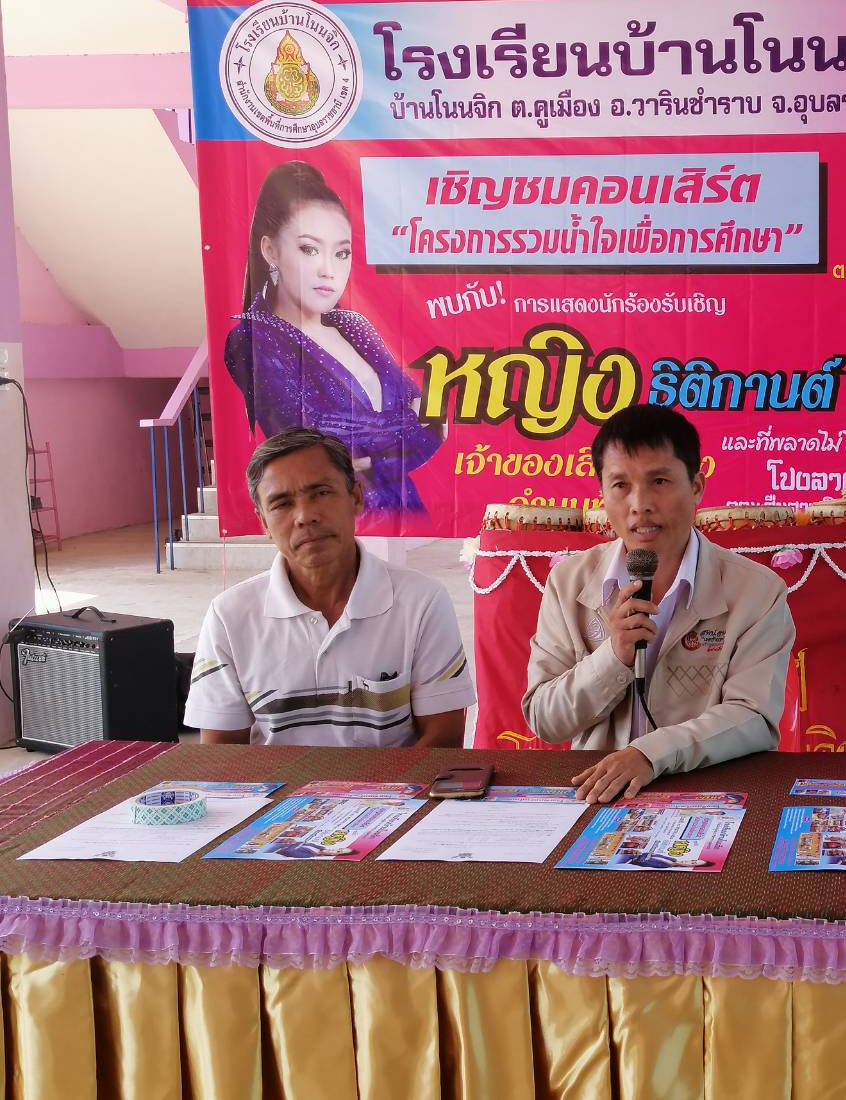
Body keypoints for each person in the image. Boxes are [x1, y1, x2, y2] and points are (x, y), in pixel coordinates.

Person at [523, 404, 796, 803]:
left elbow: (753, 717)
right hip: (596, 793)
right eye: (620, 485)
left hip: (708, 796)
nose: (640, 504)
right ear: (602, 493)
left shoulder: (757, 591)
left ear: (697, 486)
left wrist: (650, 755)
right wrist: (613, 658)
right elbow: (545, 720)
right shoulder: (569, 582)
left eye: (660, 481)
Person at [184, 428, 473, 746]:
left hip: (398, 781)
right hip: (272, 781)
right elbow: (221, 752)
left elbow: (444, 739)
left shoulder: (422, 602)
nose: (305, 516)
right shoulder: (229, 616)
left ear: (356, 498)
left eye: (321, 493)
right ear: (264, 522)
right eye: (282, 504)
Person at [225, 161, 441, 515]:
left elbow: (433, 418)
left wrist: (369, 448)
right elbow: (318, 446)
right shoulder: (253, 340)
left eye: (341, 253)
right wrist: (406, 430)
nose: (329, 270)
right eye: (309, 249)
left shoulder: (353, 326)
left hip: (406, 511)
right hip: (334, 517)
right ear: (270, 250)